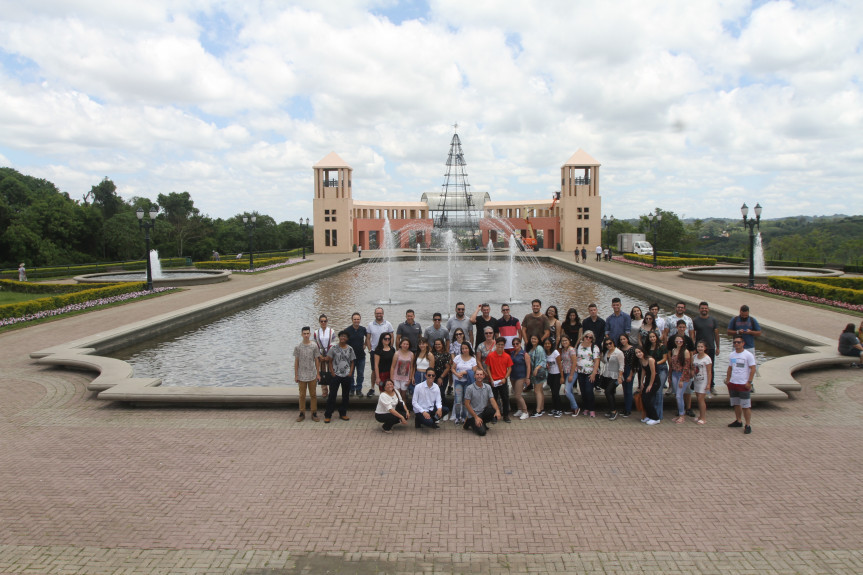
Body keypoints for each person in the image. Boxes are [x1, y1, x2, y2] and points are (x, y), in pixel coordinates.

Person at [725, 336, 756, 434]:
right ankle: (738, 420)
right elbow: (730, 368)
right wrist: (728, 380)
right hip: (733, 382)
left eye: (738, 342)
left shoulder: (748, 355)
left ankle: (748, 424)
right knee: (736, 403)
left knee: (746, 405)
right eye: (734, 342)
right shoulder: (732, 355)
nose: (736, 344)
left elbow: (753, 368)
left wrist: (749, 382)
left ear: (743, 343)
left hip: (743, 383)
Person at [324, 330, 356, 423]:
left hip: (346, 375)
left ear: (347, 338)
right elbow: (329, 360)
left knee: (345, 395)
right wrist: (332, 373)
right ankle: (328, 414)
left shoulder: (350, 349)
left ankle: (343, 413)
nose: (343, 338)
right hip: (336, 375)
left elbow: (352, 361)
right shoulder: (333, 348)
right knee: (332, 395)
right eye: (341, 336)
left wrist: (350, 373)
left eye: (345, 336)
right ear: (339, 337)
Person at [463, 369, 501, 436]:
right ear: (474, 376)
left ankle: (482, 423)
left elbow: (492, 399)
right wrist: (476, 417)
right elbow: (467, 404)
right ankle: (469, 422)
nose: (479, 376)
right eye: (477, 374)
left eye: (481, 374)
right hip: (473, 414)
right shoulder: (469, 388)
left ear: (484, 376)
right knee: (482, 433)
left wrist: (497, 410)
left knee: (493, 411)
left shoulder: (488, 387)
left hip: (483, 411)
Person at [293, 326, 320, 422]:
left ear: (310, 334)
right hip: (301, 375)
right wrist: (296, 375)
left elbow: (317, 360)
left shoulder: (314, 346)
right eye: (304, 333)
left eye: (307, 333)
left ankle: (314, 412)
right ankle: (302, 413)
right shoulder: (298, 347)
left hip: (312, 374)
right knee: (302, 395)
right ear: (301, 334)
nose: (306, 335)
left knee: (313, 395)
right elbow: (296, 362)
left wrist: (318, 373)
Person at [692, 302, 720, 394]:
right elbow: (693, 335)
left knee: (710, 368)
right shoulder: (695, 320)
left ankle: (711, 386)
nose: (704, 310)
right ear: (699, 309)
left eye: (706, 308)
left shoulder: (713, 320)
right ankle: (695, 384)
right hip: (699, 348)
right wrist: (693, 348)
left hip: (710, 347)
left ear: (708, 309)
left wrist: (718, 347)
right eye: (702, 308)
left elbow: (716, 334)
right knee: (697, 367)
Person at [366, 307, 394, 397]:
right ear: (375, 314)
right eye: (377, 313)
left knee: (388, 369)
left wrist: (390, 347)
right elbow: (368, 338)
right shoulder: (370, 325)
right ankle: (372, 388)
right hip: (375, 351)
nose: (379, 315)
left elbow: (392, 336)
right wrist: (370, 349)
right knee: (374, 370)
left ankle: (388, 386)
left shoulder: (388, 324)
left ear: (383, 314)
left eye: (380, 313)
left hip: (386, 351)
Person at [485, 337, 514, 422]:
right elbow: (488, 368)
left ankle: (506, 415)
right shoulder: (490, 355)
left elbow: (510, 369)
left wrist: (505, 378)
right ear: (496, 345)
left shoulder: (507, 356)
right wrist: (491, 379)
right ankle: (494, 416)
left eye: (502, 345)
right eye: (499, 344)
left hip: (502, 381)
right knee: (493, 399)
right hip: (493, 381)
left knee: (505, 398)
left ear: (504, 345)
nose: (500, 346)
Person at [575, 331, 601, 418]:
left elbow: (597, 360)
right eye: (586, 336)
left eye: (590, 337)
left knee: (589, 390)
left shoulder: (594, 347)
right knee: (583, 391)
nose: (588, 338)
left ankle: (592, 409)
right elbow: (575, 356)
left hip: (590, 372)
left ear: (592, 339)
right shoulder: (579, 345)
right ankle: (586, 407)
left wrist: (594, 373)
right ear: (583, 337)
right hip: (580, 371)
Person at [451, 341, 477, 424]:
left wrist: (464, 372)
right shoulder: (457, 357)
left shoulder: (473, 359)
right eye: (463, 348)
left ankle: (464, 416)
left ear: (469, 349)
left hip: (468, 383)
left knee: (466, 401)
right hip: (458, 381)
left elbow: (474, 371)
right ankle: (457, 417)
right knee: (458, 401)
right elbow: (452, 368)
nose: (464, 350)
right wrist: (457, 374)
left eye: (466, 348)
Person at [645, 331, 668, 420]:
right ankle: (652, 413)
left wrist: (655, 363)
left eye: (654, 337)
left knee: (658, 391)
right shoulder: (647, 347)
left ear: (656, 337)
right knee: (652, 391)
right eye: (650, 337)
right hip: (651, 370)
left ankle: (658, 415)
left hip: (661, 368)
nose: (652, 338)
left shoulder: (662, 347)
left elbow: (665, 358)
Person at [669, 335, 692, 424]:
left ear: (683, 342)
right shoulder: (673, 350)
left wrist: (682, 379)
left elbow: (686, 367)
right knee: (677, 395)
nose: (679, 343)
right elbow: (672, 365)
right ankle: (680, 414)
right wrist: (670, 376)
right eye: (677, 341)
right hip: (674, 374)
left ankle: (682, 415)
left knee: (679, 395)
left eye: (680, 341)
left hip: (683, 375)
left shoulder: (686, 352)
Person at [600, 337, 624, 420]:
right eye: (606, 344)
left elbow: (622, 365)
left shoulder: (618, 352)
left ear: (613, 343)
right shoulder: (607, 352)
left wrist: (620, 377)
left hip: (615, 376)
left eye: (610, 343)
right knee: (610, 393)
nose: (608, 345)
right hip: (607, 375)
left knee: (608, 391)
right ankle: (611, 409)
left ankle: (613, 411)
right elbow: (605, 362)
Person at [635, 346, 660, 425]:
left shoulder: (650, 359)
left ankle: (655, 418)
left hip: (655, 381)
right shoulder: (641, 360)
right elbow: (643, 371)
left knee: (647, 398)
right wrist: (641, 382)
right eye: (636, 353)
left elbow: (653, 373)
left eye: (639, 352)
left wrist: (650, 385)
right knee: (644, 398)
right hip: (648, 380)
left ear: (643, 352)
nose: (638, 354)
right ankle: (649, 416)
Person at [345, 312, 368, 397]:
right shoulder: (347, 330)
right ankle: (351, 389)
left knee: (360, 374)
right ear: (352, 320)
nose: (356, 321)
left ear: (360, 320)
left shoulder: (363, 329)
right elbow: (343, 341)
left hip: (361, 356)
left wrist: (365, 344)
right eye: (355, 319)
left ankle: (359, 389)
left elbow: (368, 336)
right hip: (350, 357)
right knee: (350, 374)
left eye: (358, 319)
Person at [314, 314, 336, 397]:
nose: (323, 323)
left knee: (330, 371)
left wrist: (329, 355)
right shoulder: (316, 332)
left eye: (325, 321)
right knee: (322, 371)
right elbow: (315, 344)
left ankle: (331, 389)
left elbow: (334, 343)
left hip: (329, 353)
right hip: (320, 353)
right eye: (321, 321)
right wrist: (319, 355)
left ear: (327, 322)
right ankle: (324, 390)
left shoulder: (331, 331)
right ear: (319, 322)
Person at [509, 337, 531, 420]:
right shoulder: (512, 353)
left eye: (517, 343)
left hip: (521, 377)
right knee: (515, 393)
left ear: (520, 344)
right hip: (513, 376)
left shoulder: (524, 354)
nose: (515, 345)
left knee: (518, 395)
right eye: (514, 344)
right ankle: (519, 409)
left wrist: (527, 378)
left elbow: (528, 366)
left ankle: (525, 411)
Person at [691, 341, 713, 424]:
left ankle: (703, 418)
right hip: (696, 380)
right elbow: (693, 368)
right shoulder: (694, 356)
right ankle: (700, 416)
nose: (699, 348)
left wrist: (708, 384)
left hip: (704, 381)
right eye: (698, 347)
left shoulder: (707, 358)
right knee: (698, 398)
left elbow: (709, 372)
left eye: (701, 347)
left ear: (705, 348)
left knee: (701, 399)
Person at [391, 337, 415, 410]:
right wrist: (391, 378)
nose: (405, 345)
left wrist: (410, 378)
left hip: (405, 378)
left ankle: (404, 409)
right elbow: (392, 367)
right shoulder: (397, 353)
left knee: (404, 395)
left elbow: (412, 367)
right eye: (404, 344)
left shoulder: (411, 354)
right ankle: (397, 409)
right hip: (396, 377)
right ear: (401, 344)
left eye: (407, 344)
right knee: (397, 394)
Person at [527, 335, 548, 417]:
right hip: (536, 372)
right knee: (540, 390)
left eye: (535, 339)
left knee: (537, 391)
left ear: (538, 340)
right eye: (532, 338)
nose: (533, 340)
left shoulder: (539, 348)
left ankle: (538, 410)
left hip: (539, 372)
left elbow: (543, 360)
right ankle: (541, 408)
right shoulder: (532, 348)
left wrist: (536, 369)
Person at [618, 333, 637, 417]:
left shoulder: (632, 349)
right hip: (622, 369)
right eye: (621, 339)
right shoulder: (620, 349)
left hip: (629, 369)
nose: (622, 341)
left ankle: (628, 409)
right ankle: (626, 408)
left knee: (629, 390)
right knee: (625, 390)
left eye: (624, 339)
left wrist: (631, 375)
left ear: (627, 339)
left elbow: (633, 364)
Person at [542, 338, 563, 417]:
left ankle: (559, 409)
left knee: (556, 393)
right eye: (545, 344)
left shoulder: (555, 352)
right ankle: (554, 408)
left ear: (552, 344)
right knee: (553, 393)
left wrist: (562, 377)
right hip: (550, 374)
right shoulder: (545, 353)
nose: (547, 345)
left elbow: (560, 365)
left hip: (557, 374)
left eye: (549, 343)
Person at [559, 335, 579, 416]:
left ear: (569, 341)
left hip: (572, 372)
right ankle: (572, 408)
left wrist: (571, 375)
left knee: (566, 391)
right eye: (563, 341)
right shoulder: (563, 350)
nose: (564, 342)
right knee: (569, 391)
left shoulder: (572, 350)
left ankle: (576, 407)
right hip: (565, 371)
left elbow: (574, 362)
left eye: (565, 340)